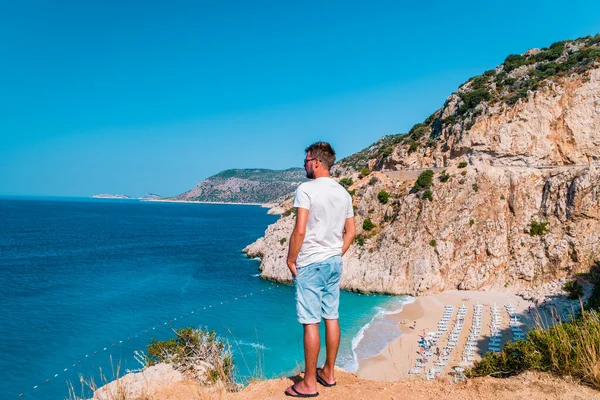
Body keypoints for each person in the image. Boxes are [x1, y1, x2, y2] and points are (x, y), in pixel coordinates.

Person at [284, 142, 356, 398]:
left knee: (310, 322)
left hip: (311, 262)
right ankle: (329, 373)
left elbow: (300, 230)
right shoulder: (343, 193)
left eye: (305, 160)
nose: (303, 164)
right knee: (332, 316)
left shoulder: (306, 190)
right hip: (334, 262)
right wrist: (336, 253)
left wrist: (291, 259)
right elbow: (351, 232)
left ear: (316, 161)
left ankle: (309, 383)